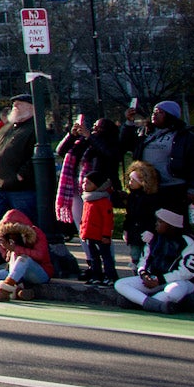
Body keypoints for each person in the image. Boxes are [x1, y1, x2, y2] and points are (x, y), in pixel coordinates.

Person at [115, 207, 194, 313]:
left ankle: (138, 302)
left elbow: (187, 272)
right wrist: (144, 274)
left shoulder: (187, 242)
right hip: (153, 280)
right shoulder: (153, 239)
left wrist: (160, 280)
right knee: (120, 284)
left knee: (173, 292)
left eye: (160, 222)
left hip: (178, 281)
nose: (156, 224)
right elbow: (143, 261)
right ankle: (155, 305)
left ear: (171, 225)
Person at [76, 118, 123, 283]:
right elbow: (70, 152)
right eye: (93, 126)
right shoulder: (92, 142)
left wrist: (90, 136)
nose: (94, 129)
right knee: (91, 241)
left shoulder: (111, 144)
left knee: (104, 246)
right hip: (90, 191)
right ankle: (95, 271)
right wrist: (74, 135)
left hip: (103, 188)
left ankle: (110, 273)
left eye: (98, 127)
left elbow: (108, 154)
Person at [140, 101, 194, 218]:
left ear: (170, 115)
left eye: (160, 112)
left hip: (174, 188)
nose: (155, 115)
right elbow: (124, 144)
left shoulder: (185, 136)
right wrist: (128, 123)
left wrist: (193, 189)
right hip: (149, 187)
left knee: (172, 225)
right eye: (154, 112)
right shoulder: (145, 133)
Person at [0, 96, 40, 223]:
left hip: (21, 190)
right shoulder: (6, 128)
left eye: (19, 104)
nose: (15, 106)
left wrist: (21, 175)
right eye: (14, 104)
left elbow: (34, 156)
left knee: (24, 224)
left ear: (30, 107)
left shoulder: (34, 129)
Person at [0, 209, 52, 302]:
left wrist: (16, 249)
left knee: (23, 259)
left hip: (39, 272)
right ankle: (17, 292)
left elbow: (40, 255)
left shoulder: (37, 233)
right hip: (16, 272)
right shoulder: (4, 237)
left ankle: (4, 291)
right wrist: (6, 249)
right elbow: (7, 260)